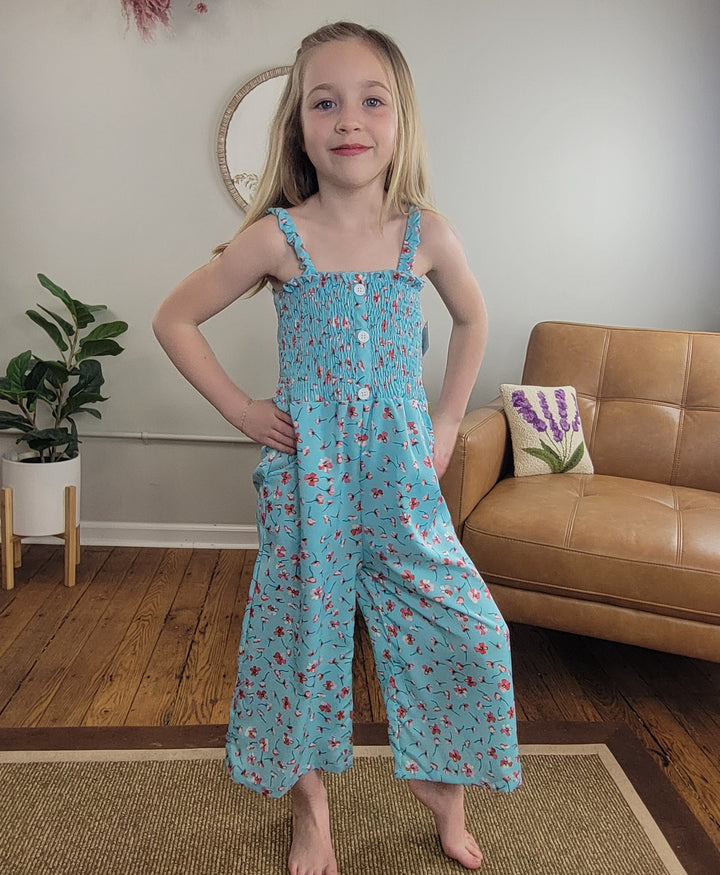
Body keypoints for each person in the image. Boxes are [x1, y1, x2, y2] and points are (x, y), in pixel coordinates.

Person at [153, 20, 521, 875]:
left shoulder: (425, 233)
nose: (349, 119)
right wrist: (245, 411)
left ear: (400, 121)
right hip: (307, 478)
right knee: (300, 640)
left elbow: (473, 319)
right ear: (299, 123)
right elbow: (174, 319)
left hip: (400, 475)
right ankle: (310, 804)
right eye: (325, 102)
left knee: (471, 629)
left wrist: (447, 419)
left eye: (371, 100)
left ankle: (442, 781)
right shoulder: (276, 237)